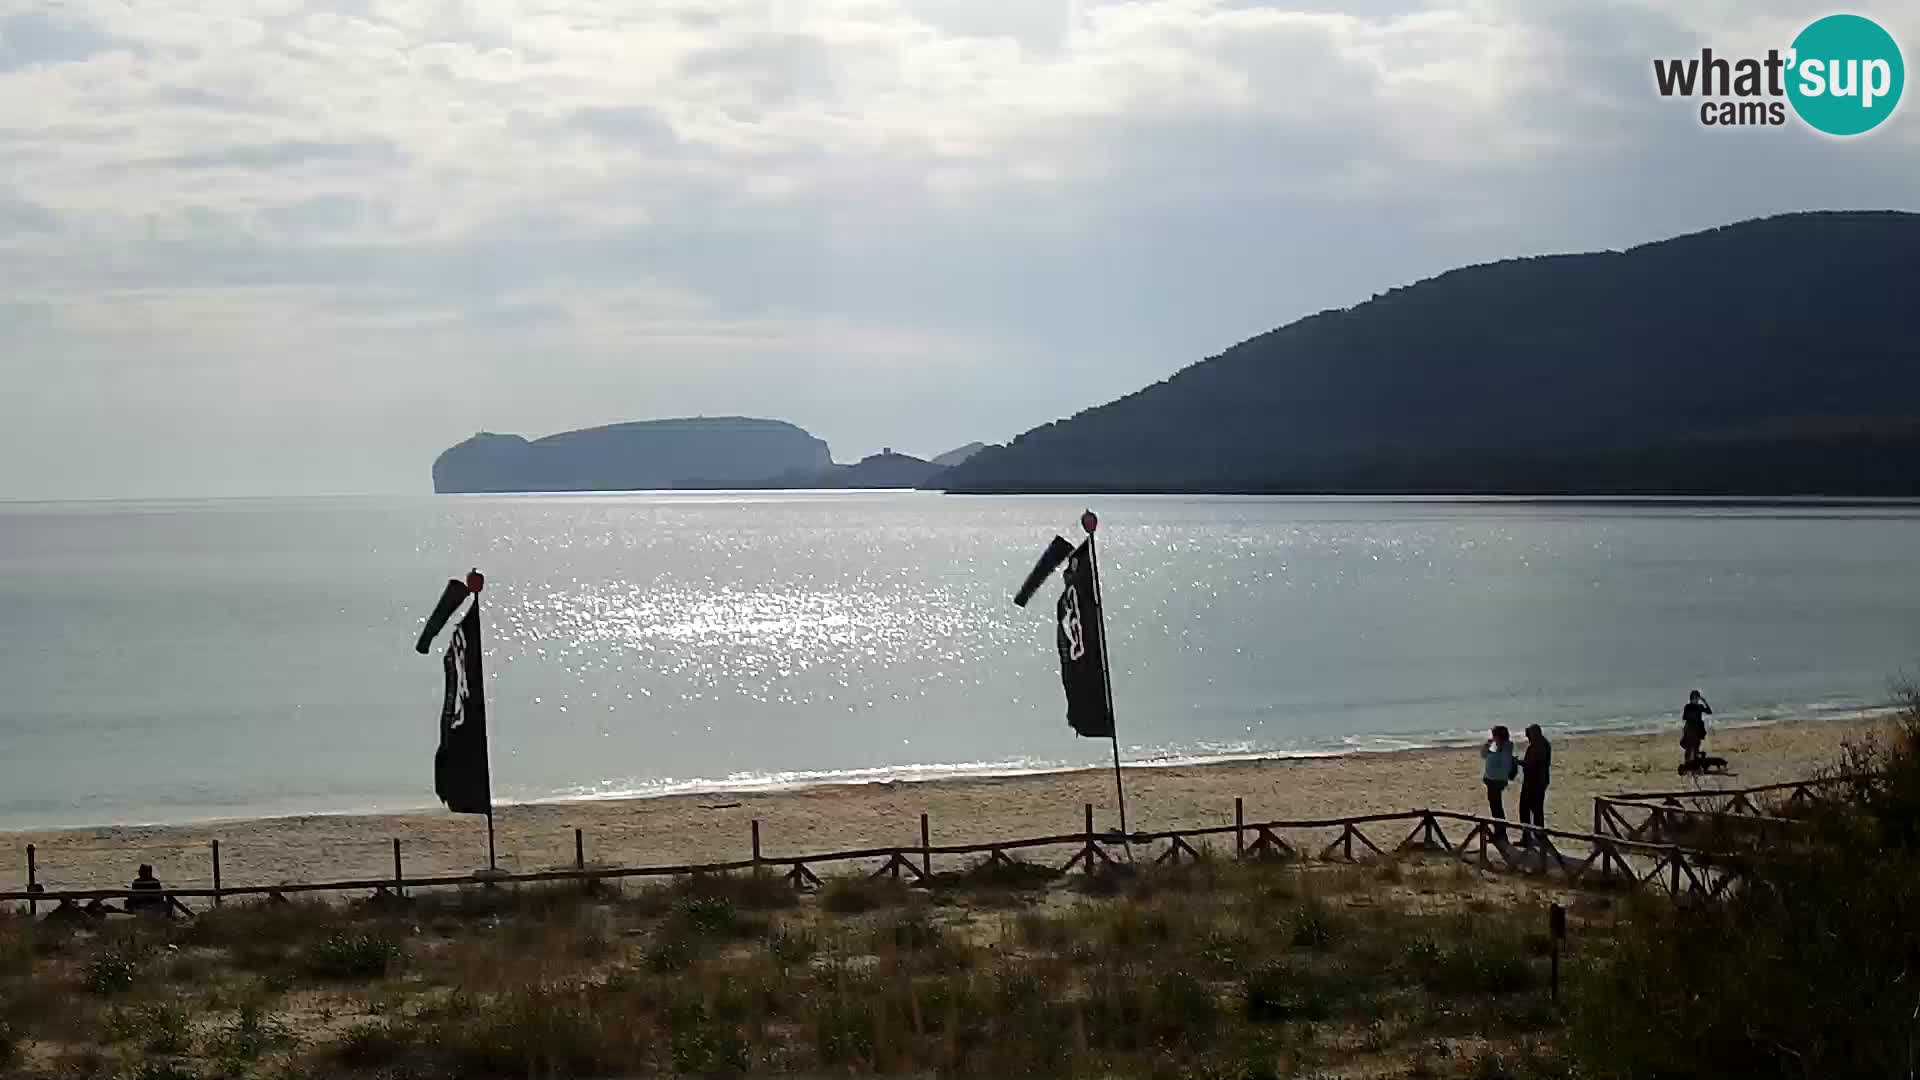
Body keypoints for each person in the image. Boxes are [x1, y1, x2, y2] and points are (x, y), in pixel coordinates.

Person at [1481, 726, 1517, 841]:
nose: (1493, 737)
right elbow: (1484, 755)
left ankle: (1501, 833)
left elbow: (1503, 758)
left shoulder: (1506, 746)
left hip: (1497, 780)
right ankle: (1499, 831)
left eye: (1494, 735)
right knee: (1495, 806)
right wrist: (1488, 744)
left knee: (1496, 807)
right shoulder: (1496, 746)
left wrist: (1497, 744)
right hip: (1491, 779)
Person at [1518, 724, 1552, 846]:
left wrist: (1519, 762)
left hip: (1535, 782)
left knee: (1527, 810)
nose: (1528, 738)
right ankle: (1536, 837)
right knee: (1535, 810)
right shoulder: (1541, 743)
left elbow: (1532, 764)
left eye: (1529, 735)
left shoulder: (1539, 745)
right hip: (1537, 781)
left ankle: (1530, 838)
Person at [1681, 690, 1712, 765]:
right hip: (1690, 729)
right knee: (1688, 748)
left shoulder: (1699, 706)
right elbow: (1684, 717)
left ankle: (1694, 765)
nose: (1697, 700)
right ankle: (1687, 765)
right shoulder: (1688, 706)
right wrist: (1693, 717)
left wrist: (1705, 702)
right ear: (1692, 698)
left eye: (1698, 698)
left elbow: (1709, 711)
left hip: (1697, 730)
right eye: (1696, 698)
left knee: (1696, 748)